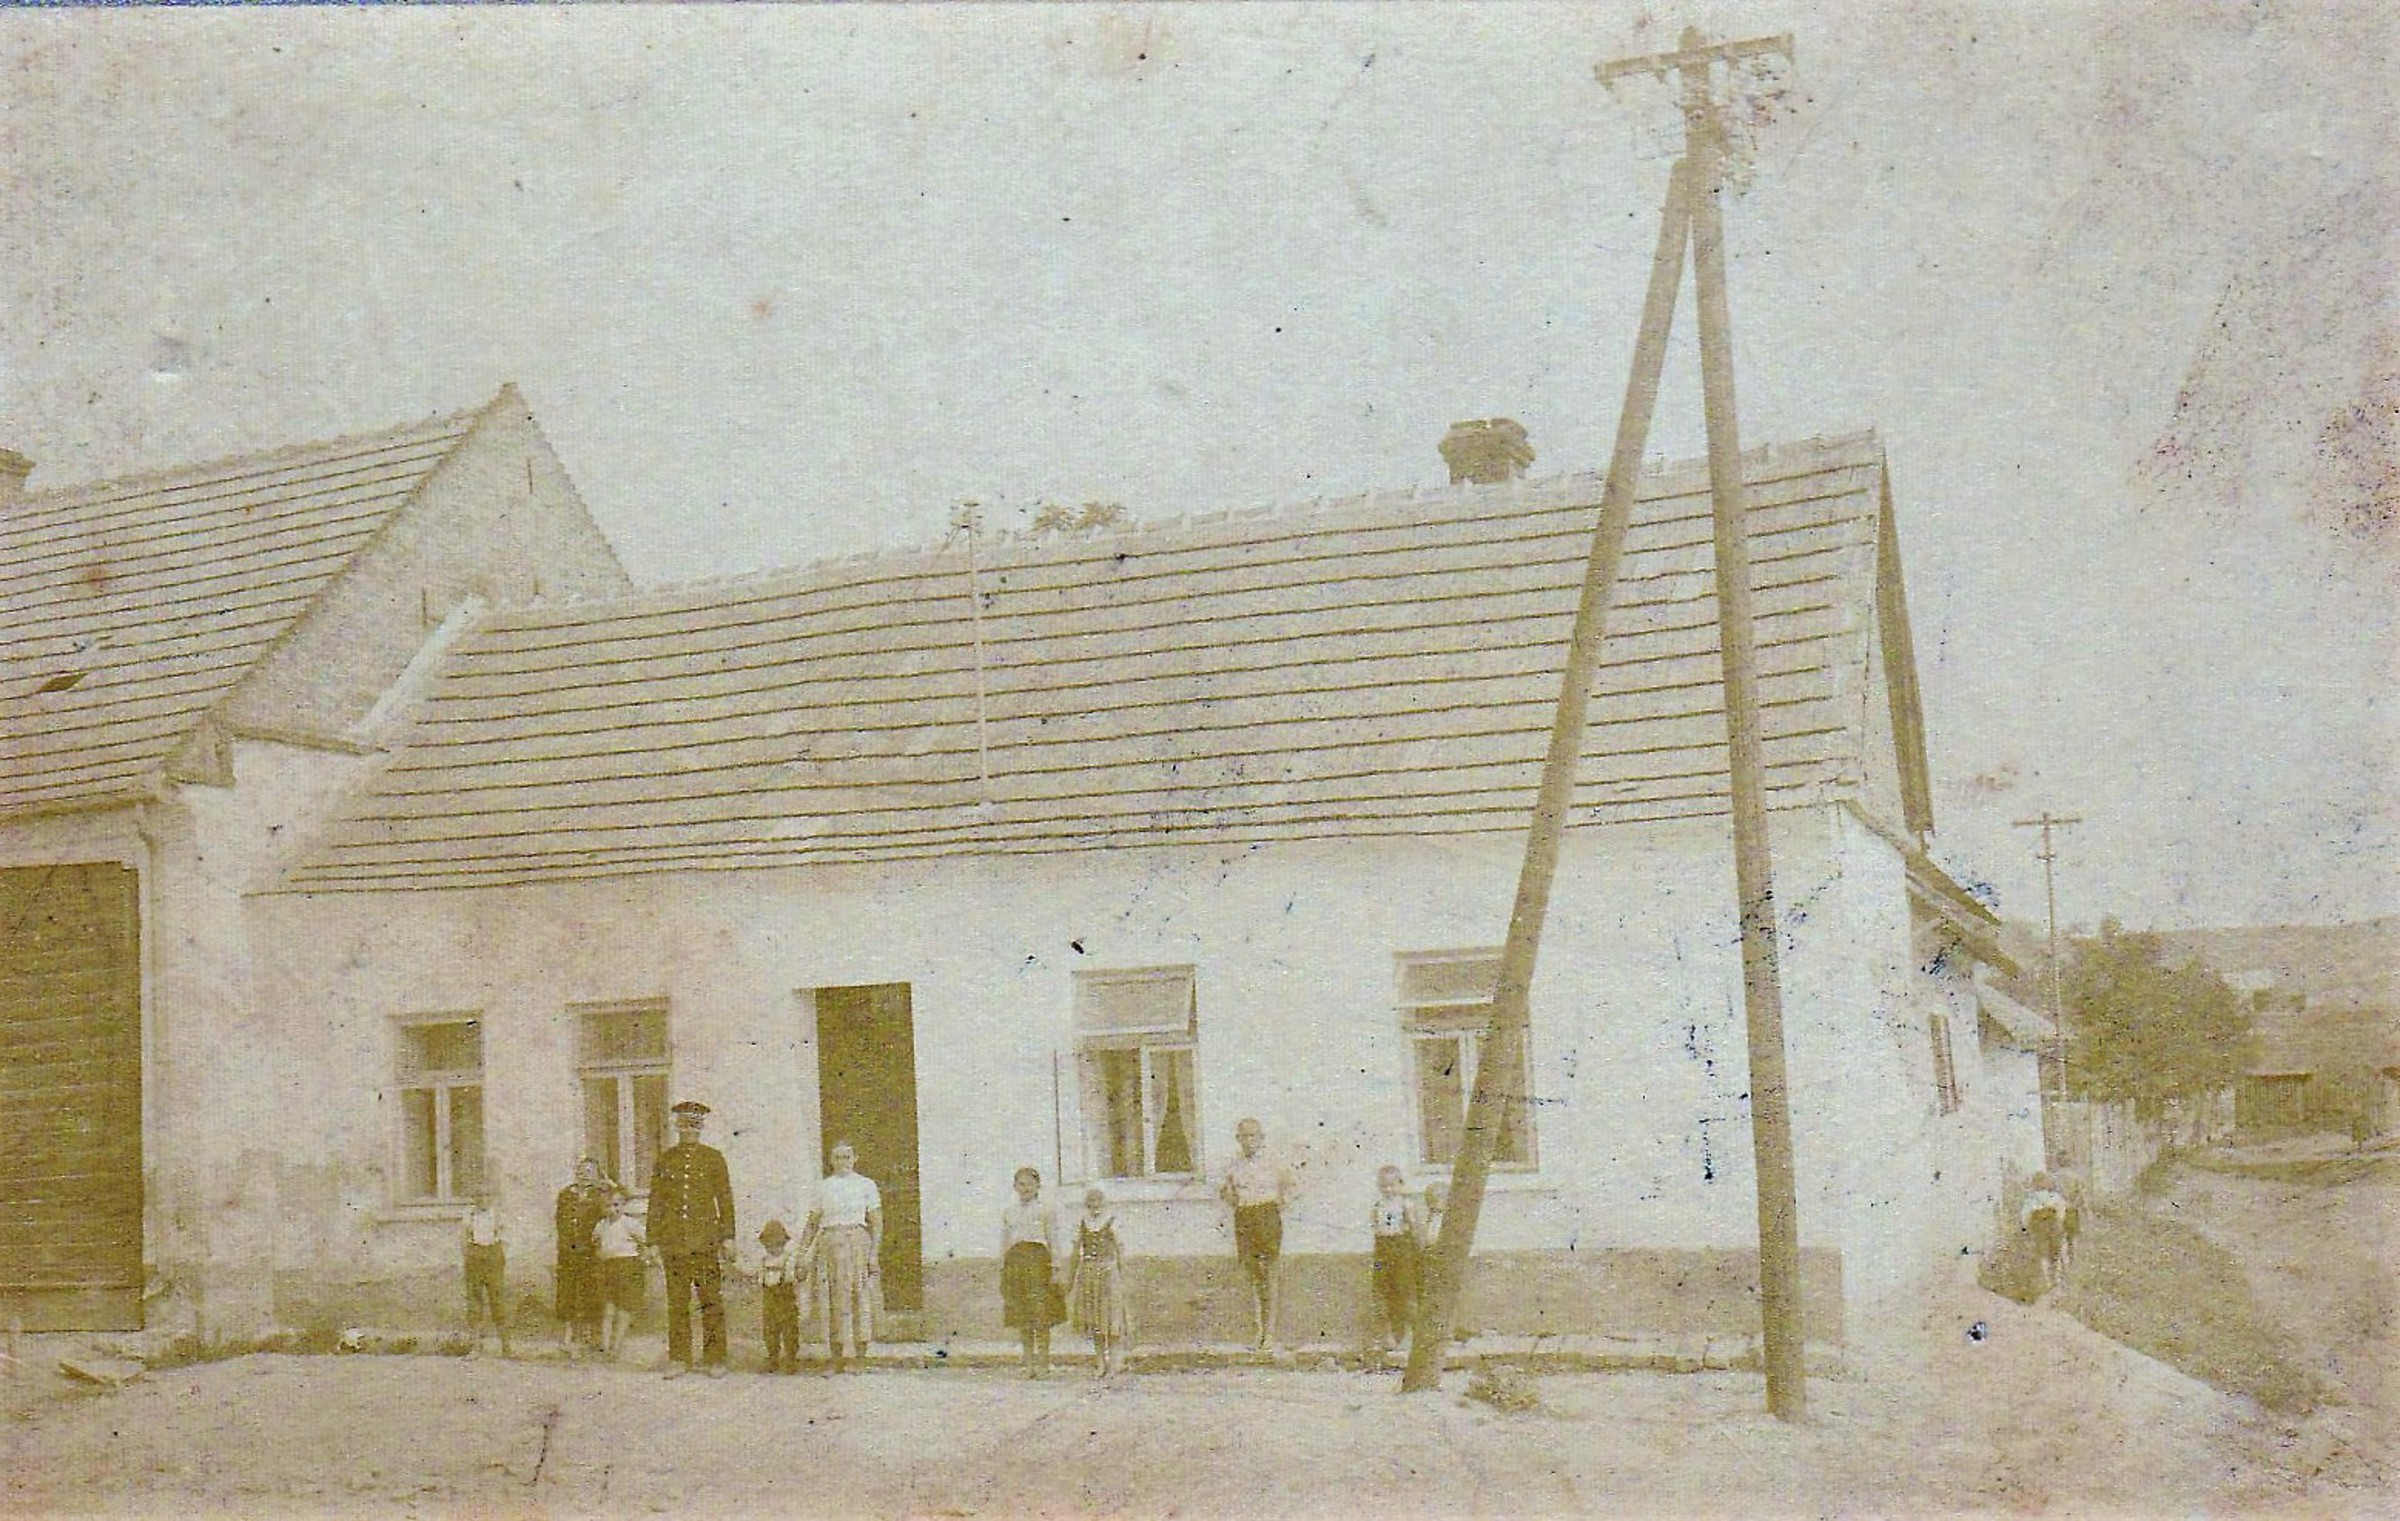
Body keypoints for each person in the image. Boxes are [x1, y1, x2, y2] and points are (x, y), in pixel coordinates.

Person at [648, 1099, 736, 1377]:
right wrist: (652, 1241)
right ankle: (679, 1358)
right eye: (684, 1125)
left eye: (694, 1125)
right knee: (677, 1302)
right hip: (673, 1242)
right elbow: (656, 1201)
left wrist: (728, 1236)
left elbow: (725, 1199)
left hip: (705, 1241)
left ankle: (715, 1359)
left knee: (710, 1300)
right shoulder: (666, 1160)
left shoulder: (713, 1158)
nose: (689, 1130)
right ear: (677, 1126)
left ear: (701, 1128)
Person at [801, 1140, 882, 1374]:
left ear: (855, 1158)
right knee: (831, 1300)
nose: (842, 1162)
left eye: (847, 1157)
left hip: (857, 1244)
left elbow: (877, 1222)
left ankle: (859, 1358)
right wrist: (801, 1254)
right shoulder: (823, 1187)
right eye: (837, 1157)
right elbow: (812, 1223)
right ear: (830, 1160)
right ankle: (835, 1358)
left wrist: (874, 1254)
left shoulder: (866, 1184)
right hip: (829, 1246)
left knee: (859, 1298)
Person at [1217, 1117, 1295, 1350]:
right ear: (1238, 1139)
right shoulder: (1234, 1164)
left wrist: (1280, 1204)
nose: (1248, 1140)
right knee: (1252, 1275)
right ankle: (1257, 1331)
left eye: (1253, 1136)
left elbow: (1290, 1185)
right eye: (1244, 1136)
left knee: (1269, 1273)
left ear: (1261, 1138)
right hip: (1244, 1216)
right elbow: (1225, 1191)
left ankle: (1269, 1334)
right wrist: (1230, 1197)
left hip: (1267, 1215)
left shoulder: (1274, 1162)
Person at [999, 1166, 1066, 1379]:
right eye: (1021, 1184)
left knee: (1041, 1315)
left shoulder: (1046, 1210)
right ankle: (1028, 1364)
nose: (1025, 1188)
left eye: (1029, 1184)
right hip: (1016, 1264)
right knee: (1023, 1316)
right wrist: (1003, 1267)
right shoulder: (1009, 1211)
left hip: (1038, 1263)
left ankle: (1043, 1363)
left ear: (1038, 1186)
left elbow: (1053, 1238)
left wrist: (1056, 1267)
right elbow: (1005, 1241)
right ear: (1014, 1187)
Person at [1066, 1185, 1131, 1378]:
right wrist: (1070, 1279)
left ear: (1104, 1203)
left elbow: (1120, 1250)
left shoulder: (1112, 1221)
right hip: (1088, 1273)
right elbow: (1075, 1253)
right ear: (1086, 1205)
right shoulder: (1082, 1223)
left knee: (1111, 1319)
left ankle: (1115, 1362)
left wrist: (1122, 1276)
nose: (1095, 1207)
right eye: (1091, 1203)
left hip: (1108, 1273)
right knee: (1094, 1320)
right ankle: (1100, 1362)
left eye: (1098, 1203)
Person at [553, 1157, 612, 1359]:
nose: (584, 1175)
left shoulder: (600, 1195)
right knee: (567, 1294)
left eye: (589, 1171)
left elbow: (618, 1203)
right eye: (581, 1171)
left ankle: (589, 1338)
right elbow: (560, 1221)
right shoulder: (566, 1194)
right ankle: (568, 1338)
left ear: (597, 1175)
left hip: (590, 1252)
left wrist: (609, 1186)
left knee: (590, 1293)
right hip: (568, 1252)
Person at [1369, 1165, 1426, 1355]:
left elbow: (1414, 1227)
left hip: (1402, 1249)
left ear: (1400, 1185)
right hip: (1383, 1250)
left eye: (1392, 1185)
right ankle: (1388, 1336)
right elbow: (1376, 1227)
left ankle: (1410, 1334)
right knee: (1383, 1290)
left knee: (1405, 1291)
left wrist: (1415, 1249)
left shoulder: (1405, 1204)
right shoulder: (1378, 1206)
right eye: (1384, 1186)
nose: (1388, 1190)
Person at [592, 1186, 646, 1358]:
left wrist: (643, 1257)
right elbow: (596, 1243)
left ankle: (616, 1346)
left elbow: (645, 1240)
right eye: (607, 1206)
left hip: (627, 1266)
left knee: (624, 1308)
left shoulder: (630, 1223)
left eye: (616, 1205)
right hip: (608, 1267)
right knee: (608, 1309)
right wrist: (600, 1255)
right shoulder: (601, 1225)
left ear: (623, 1205)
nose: (612, 1209)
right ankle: (605, 1345)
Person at [461, 1187, 510, 1357]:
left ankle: (506, 1346)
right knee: (474, 1300)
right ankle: (475, 1346)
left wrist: (498, 1255)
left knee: (497, 1299)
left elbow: (504, 1237)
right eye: (479, 1195)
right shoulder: (469, 1214)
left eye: (486, 1194)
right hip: (475, 1256)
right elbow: (464, 1237)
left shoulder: (497, 1214)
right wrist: (468, 1256)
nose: (482, 1199)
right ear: (473, 1197)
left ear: (492, 1197)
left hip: (493, 1255)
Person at [753, 1219, 805, 1375]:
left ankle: (791, 1359)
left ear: (783, 1244)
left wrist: (797, 1273)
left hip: (786, 1300)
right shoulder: (764, 1261)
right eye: (769, 1246)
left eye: (777, 1245)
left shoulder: (788, 1259)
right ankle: (772, 1357)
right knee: (770, 1330)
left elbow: (794, 1277)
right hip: (770, 1300)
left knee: (789, 1330)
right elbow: (759, 1278)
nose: (774, 1249)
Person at [2021, 1171, 2069, 1294]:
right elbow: (2061, 1212)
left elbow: (2025, 1216)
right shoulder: (2054, 1197)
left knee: (2044, 1253)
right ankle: (2055, 1279)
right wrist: (2058, 1222)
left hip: (2040, 1228)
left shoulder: (2031, 1199)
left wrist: (2027, 1228)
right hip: (2052, 1226)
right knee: (2055, 1252)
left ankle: (2048, 1280)